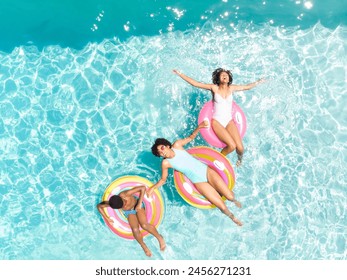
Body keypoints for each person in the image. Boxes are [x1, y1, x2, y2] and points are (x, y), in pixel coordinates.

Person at [148, 121, 243, 226]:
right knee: (222, 206)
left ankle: (235, 201)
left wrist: (199, 127)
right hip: (198, 181)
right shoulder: (166, 163)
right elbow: (163, 179)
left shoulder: (177, 145)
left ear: (167, 145)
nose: (162, 152)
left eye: (162, 148)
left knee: (229, 196)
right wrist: (153, 187)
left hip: (207, 172)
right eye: (160, 153)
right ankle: (233, 218)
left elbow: (190, 138)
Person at [173, 68, 265, 166]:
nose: (224, 76)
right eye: (222, 75)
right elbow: (195, 83)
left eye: (226, 75)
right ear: (218, 78)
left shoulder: (231, 88)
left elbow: (247, 87)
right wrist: (180, 74)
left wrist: (259, 82)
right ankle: (216, 162)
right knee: (231, 146)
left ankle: (239, 159)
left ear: (229, 78)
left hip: (229, 121)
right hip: (217, 122)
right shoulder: (214, 88)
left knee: (240, 148)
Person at [97, 185, 166, 257]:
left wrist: (139, 203)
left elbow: (142, 188)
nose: (125, 204)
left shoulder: (125, 194)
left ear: (122, 198)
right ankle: (143, 246)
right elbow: (99, 206)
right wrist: (107, 218)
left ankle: (159, 238)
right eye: (122, 206)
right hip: (129, 212)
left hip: (137, 205)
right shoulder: (111, 203)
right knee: (135, 229)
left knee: (144, 225)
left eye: (124, 202)